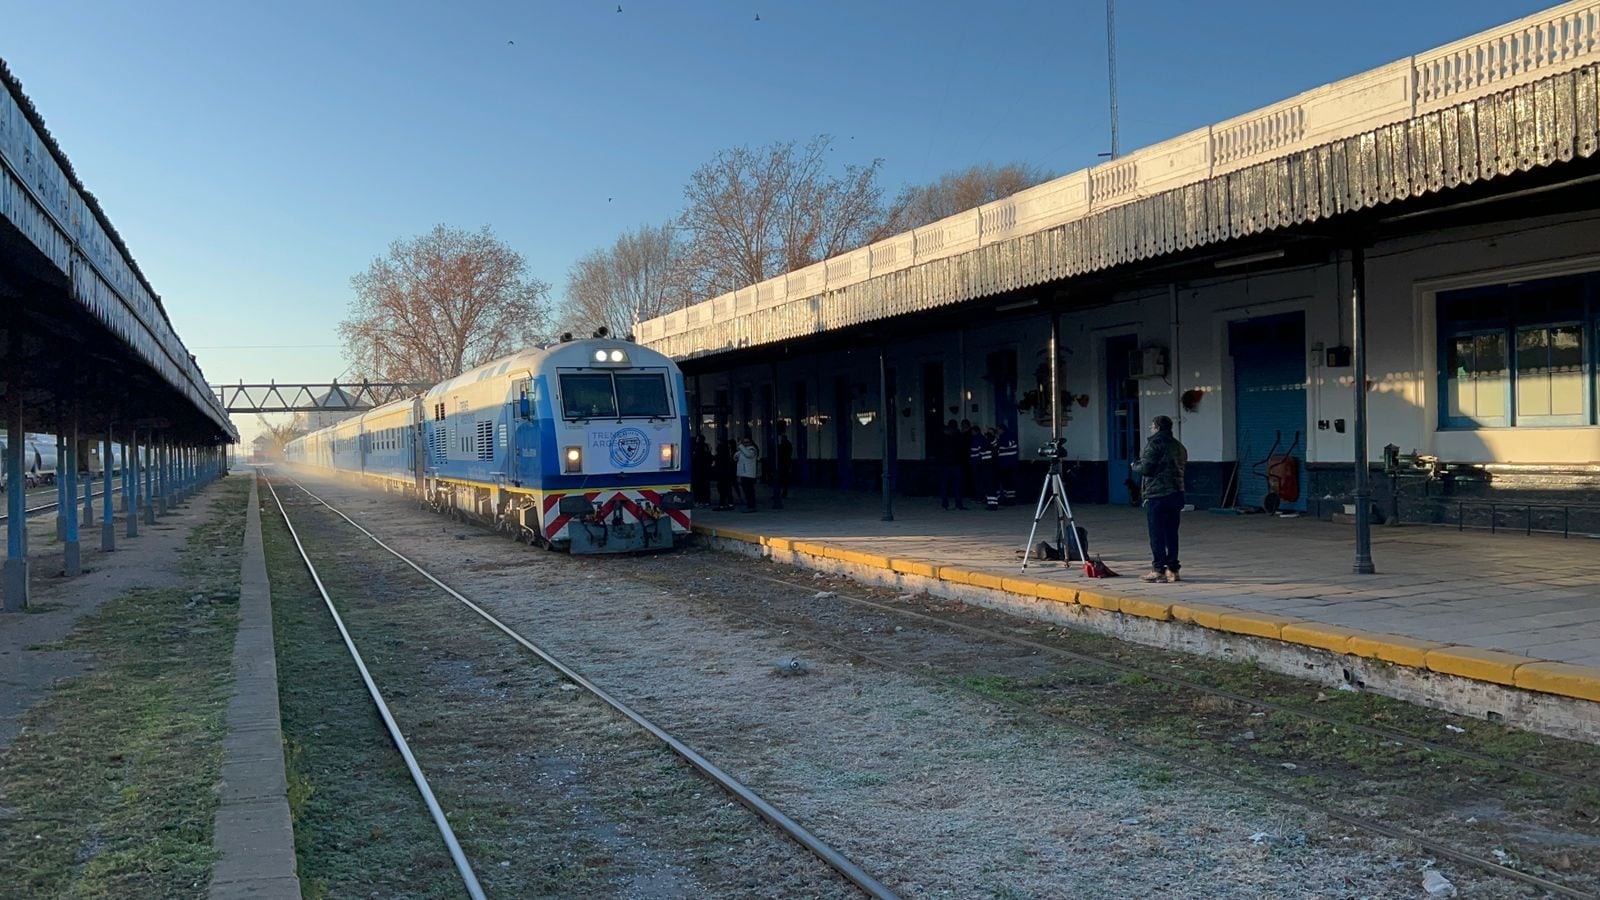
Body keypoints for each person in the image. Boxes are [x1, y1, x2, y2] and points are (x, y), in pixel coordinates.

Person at [1130, 415, 1188, 583]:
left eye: (1152, 426)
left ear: (1157, 427)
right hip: (1176, 493)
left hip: (1157, 494)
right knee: (1172, 532)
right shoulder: (1179, 446)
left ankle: (1158, 570)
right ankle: (1173, 569)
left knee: (1157, 533)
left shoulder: (1154, 444)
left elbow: (1147, 469)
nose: (1150, 429)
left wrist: (1135, 466)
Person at [938, 419, 968, 510]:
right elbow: (963, 449)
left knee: (944, 484)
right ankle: (958, 504)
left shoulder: (942, 436)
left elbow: (938, 449)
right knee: (957, 485)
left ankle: (945, 504)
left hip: (945, 463)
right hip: (957, 463)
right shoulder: (959, 436)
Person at [995, 421, 1019, 505]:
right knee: (1005, 481)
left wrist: (998, 438)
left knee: (1010, 482)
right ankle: (1006, 498)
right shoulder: (1002, 437)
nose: (997, 431)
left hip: (1010, 463)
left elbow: (1007, 444)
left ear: (1002, 430)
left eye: (998, 430)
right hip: (1004, 463)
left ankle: (1010, 499)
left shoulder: (1009, 436)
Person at [772, 421, 793, 508]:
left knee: (783, 478)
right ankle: (780, 492)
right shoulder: (785, 443)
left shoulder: (785, 444)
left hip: (783, 462)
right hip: (783, 462)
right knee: (781, 478)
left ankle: (782, 493)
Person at [736, 436, 760, 512]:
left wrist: (741, 446)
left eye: (747, 442)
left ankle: (751, 506)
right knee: (746, 491)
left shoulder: (752, 449)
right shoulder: (743, 450)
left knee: (749, 491)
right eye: (744, 442)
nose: (746, 444)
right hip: (743, 473)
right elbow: (735, 455)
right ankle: (749, 505)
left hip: (749, 474)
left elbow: (748, 455)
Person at [979, 426, 1000, 511]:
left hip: (988, 466)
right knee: (992, 485)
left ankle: (992, 504)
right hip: (992, 465)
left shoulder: (987, 441)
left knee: (990, 485)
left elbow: (981, 451)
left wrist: (987, 434)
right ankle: (993, 503)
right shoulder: (994, 442)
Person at [714, 439, 737, 511]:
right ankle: (729, 503)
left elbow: (716, 465)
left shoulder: (719, 456)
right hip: (728, 474)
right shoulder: (728, 455)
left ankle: (722, 504)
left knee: (722, 490)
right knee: (728, 489)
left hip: (721, 474)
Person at [691, 433, 712, 508]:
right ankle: (705, 500)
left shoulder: (695, 447)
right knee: (704, 486)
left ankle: (699, 500)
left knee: (698, 486)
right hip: (704, 469)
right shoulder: (706, 446)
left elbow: (694, 457)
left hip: (698, 469)